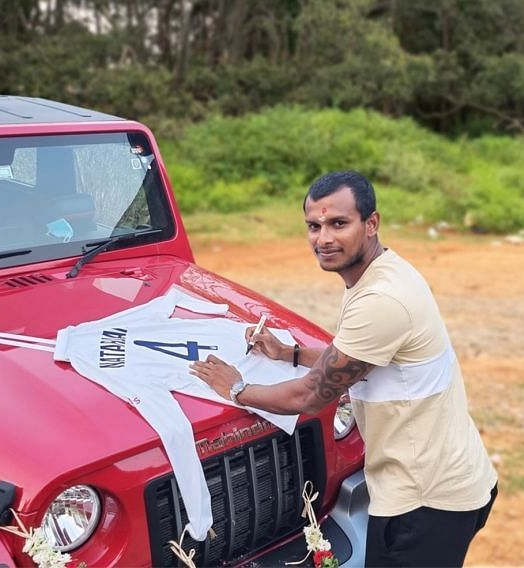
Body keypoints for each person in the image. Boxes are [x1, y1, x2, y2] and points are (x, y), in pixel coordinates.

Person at [190, 170, 498, 567]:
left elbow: (309, 396)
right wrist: (289, 353)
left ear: (371, 224)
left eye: (339, 223)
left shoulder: (381, 300)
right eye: (314, 226)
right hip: (449, 478)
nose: (324, 238)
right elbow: (355, 359)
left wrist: (236, 388)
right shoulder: (385, 272)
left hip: (426, 501)